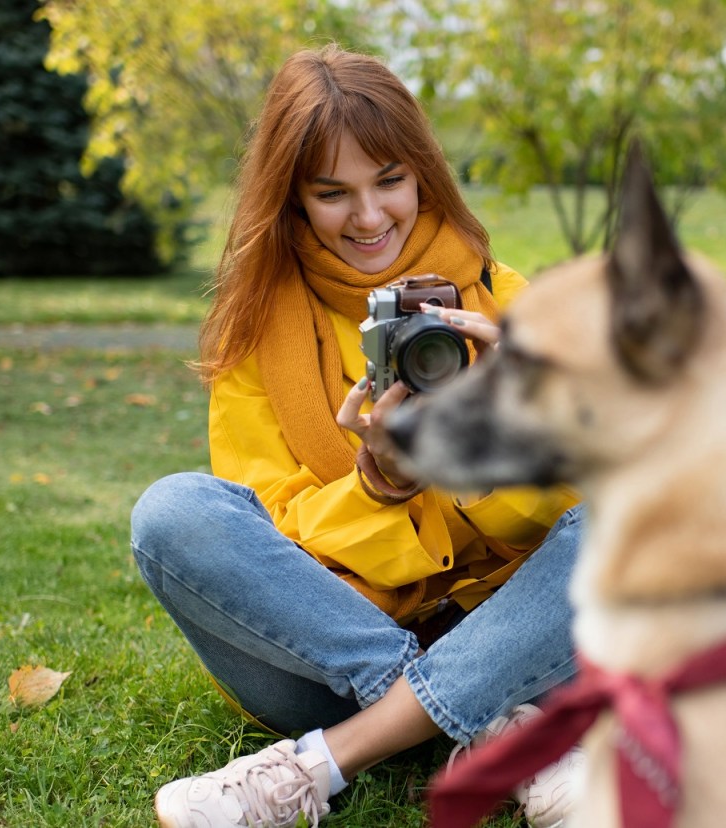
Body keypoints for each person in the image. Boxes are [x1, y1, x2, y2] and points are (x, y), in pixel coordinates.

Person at [129, 44, 584, 828]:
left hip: (515, 631)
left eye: (390, 181)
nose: (369, 217)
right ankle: (487, 722)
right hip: (330, 657)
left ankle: (325, 763)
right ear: (293, 198)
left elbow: (572, 520)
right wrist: (377, 485)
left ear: (422, 175)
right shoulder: (254, 338)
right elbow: (273, 542)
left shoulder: (509, 306)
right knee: (172, 513)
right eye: (332, 192)